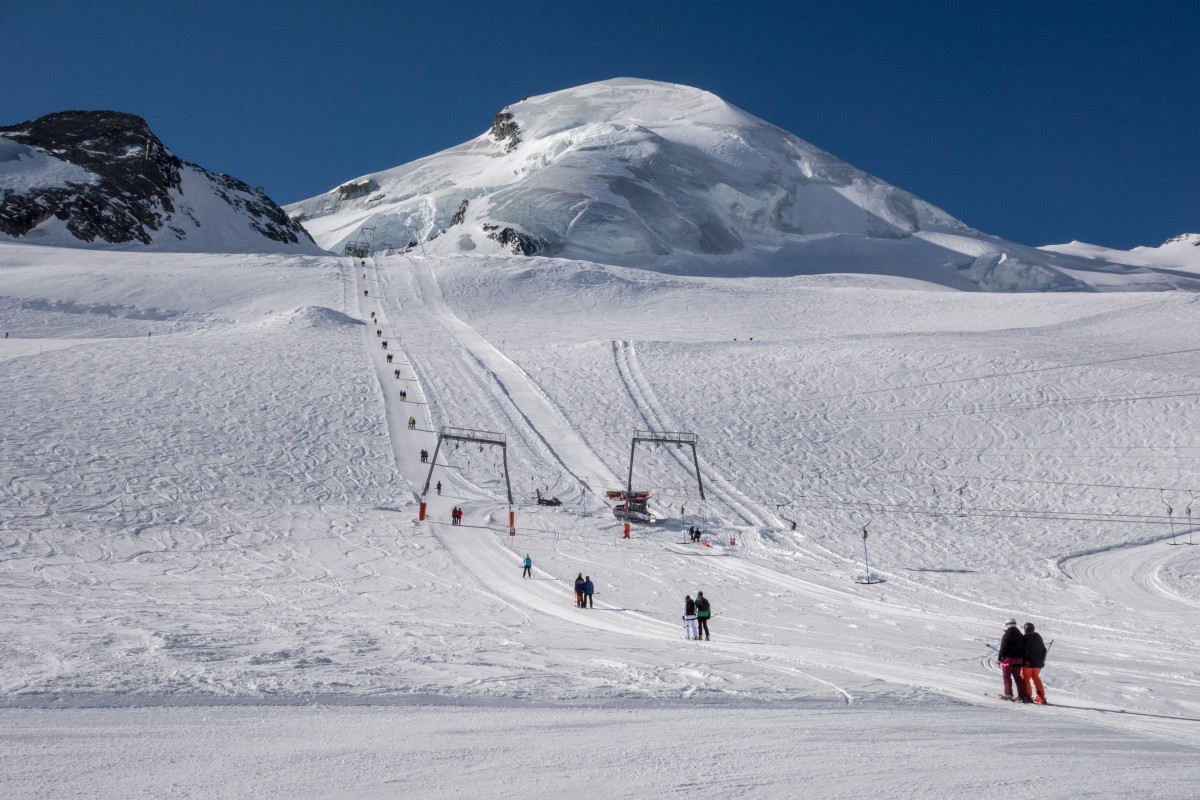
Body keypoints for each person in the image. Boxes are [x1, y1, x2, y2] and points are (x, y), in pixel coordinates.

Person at [997, 618, 1030, 701]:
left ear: (1007, 625)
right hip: (1019, 660)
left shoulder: (1007, 635)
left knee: (1007, 677)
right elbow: (1025, 648)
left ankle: (1008, 694)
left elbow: (1003, 647)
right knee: (1018, 677)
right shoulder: (1020, 635)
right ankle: (1023, 696)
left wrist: (999, 658)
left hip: (1008, 659)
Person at [1021, 622, 1049, 704]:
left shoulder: (1025, 637)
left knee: (1025, 679)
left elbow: (1026, 650)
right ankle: (1041, 697)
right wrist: (1042, 661)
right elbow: (1044, 650)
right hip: (1038, 664)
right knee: (1036, 678)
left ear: (1025, 630)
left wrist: (1025, 660)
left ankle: (1028, 696)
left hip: (1028, 664)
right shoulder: (1038, 636)